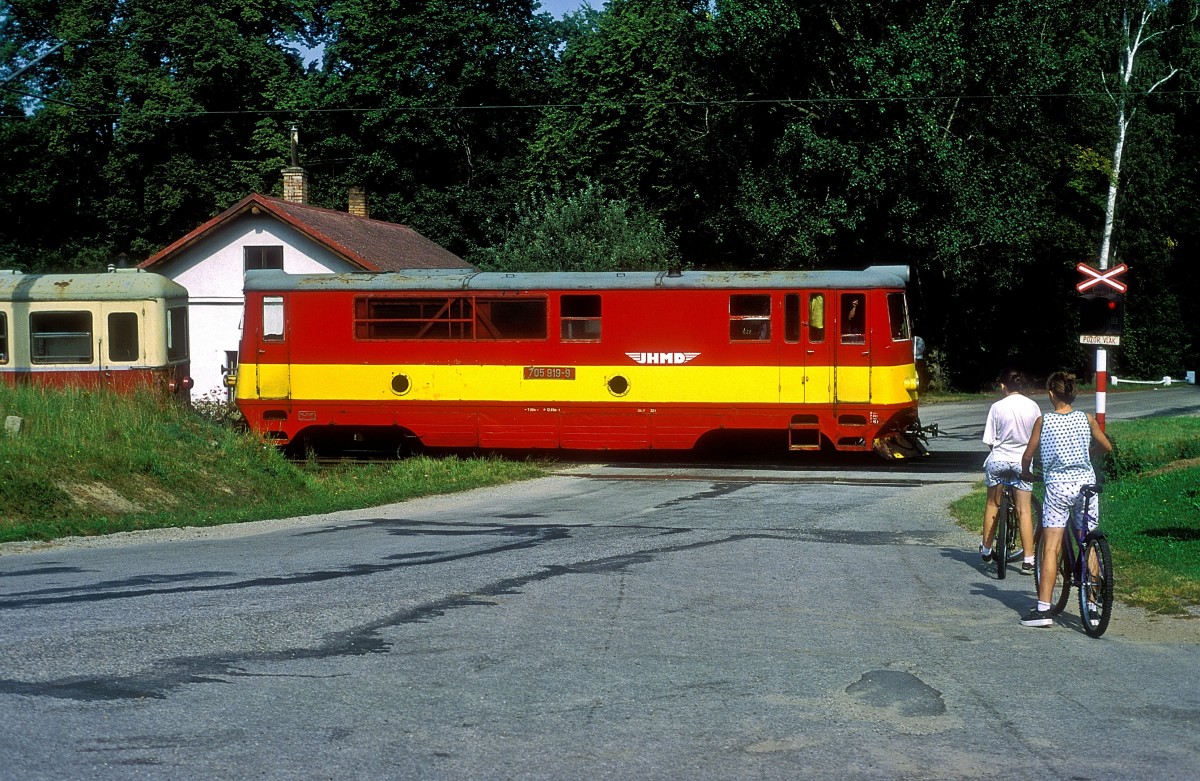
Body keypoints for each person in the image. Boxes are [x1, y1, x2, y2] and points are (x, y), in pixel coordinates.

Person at [1018, 371, 1113, 628]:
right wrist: (1087, 454)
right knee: (1088, 540)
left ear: (1051, 393)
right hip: (1086, 487)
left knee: (1051, 547)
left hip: (1058, 489)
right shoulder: (1086, 418)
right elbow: (1106, 446)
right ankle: (1092, 607)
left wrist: (1026, 472)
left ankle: (1043, 610)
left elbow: (1028, 455)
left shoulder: (1044, 420)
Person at [978, 369, 1042, 574]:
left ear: (1002, 385)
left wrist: (999, 452)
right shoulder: (1033, 407)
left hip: (999, 459)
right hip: (1022, 462)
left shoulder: (997, 407)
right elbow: (1037, 439)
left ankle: (986, 549)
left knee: (992, 503)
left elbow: (989, 440)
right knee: (1024, 510)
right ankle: (1029, 560)